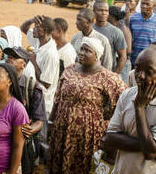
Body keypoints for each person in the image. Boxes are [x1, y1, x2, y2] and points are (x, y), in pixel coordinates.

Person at [48, 37, 126, 174]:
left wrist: (107, 119)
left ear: (97, 56)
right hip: (62, 130)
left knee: (83, 165)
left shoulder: (108, 78)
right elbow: (58, 97)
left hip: (87, 136)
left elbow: (123, 102)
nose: (82, 53)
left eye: (87, 50)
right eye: (82, 49)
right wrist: (51, 121)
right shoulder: (70, 70)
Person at [103, 44, 156, 174]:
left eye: (149, 71)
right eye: (137, 69)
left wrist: (139, 107)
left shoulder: (136, 101)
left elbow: (149, 153)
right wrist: (147, 146)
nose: (140, 76)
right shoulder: (128, 95)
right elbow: (109, 138)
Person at [4, 47, 46, 174]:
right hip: (0, 141)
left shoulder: (32, 87)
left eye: (14, 57)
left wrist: (30, 129)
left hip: (21, 144)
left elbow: (40, 120)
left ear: (24, 64)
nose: (9, 59)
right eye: (8, 56)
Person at [20, 16, 59, 115]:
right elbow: (23, 28)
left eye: (37, 27)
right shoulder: (38, 41)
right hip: (33, 98)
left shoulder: (51, 53)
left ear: (44, 30)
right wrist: (31, 20)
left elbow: (46, 84)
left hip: (42, 104)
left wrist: (33, 62)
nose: (33, 29)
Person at [93, 1, 127, 74]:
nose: (104, 13)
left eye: (106, 11)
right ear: (94, 12)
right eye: (100, 10)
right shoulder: (90, 29)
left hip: (107, 73)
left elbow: (123, 56)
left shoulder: (116, 32)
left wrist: (115, 75)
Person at [108, 6, 132, 85]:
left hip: (123, 63)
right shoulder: (114, 28)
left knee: (121, 86)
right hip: (117, 62)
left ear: (111, 16)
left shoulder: (123, 29)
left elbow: (128, 51)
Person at [130, 0, 156, 66]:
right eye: (142, 3)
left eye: (147, 4)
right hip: (135, 60)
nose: (144, 6)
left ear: (154, 6)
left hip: (151, 61)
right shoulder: (133, 18)